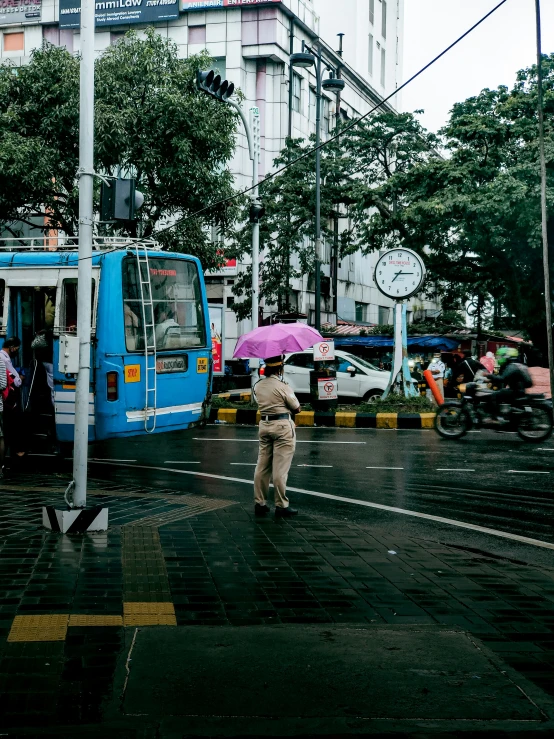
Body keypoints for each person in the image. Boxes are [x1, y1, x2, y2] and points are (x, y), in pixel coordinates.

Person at [253, 355, 301, 518]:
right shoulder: (282, 386)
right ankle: (281, 505)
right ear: (279, 368)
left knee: (262, 466)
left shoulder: (258, 385)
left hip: (264, 426)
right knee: (280, 469)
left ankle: (260, 503)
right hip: (282, 427)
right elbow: (296, 408)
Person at [485, 347, 533, 420]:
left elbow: (502, 378)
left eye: (500, 356)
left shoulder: (511, 367)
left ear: (505, 356)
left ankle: (495, 417)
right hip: (520, 390)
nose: (498, 358)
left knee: (494, 395)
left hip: (515, 391)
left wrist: (488, 375)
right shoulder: (517, 365)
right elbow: (506, 378)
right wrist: (490, 380)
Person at [1, 338, 26, 463]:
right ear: (11, 346)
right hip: (7, 400)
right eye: (16, 348)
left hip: (6, 401)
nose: (16, 350)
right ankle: (17, 452)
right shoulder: (4, 359)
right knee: (12, 424)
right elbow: (16, 381)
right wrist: (20, 378)